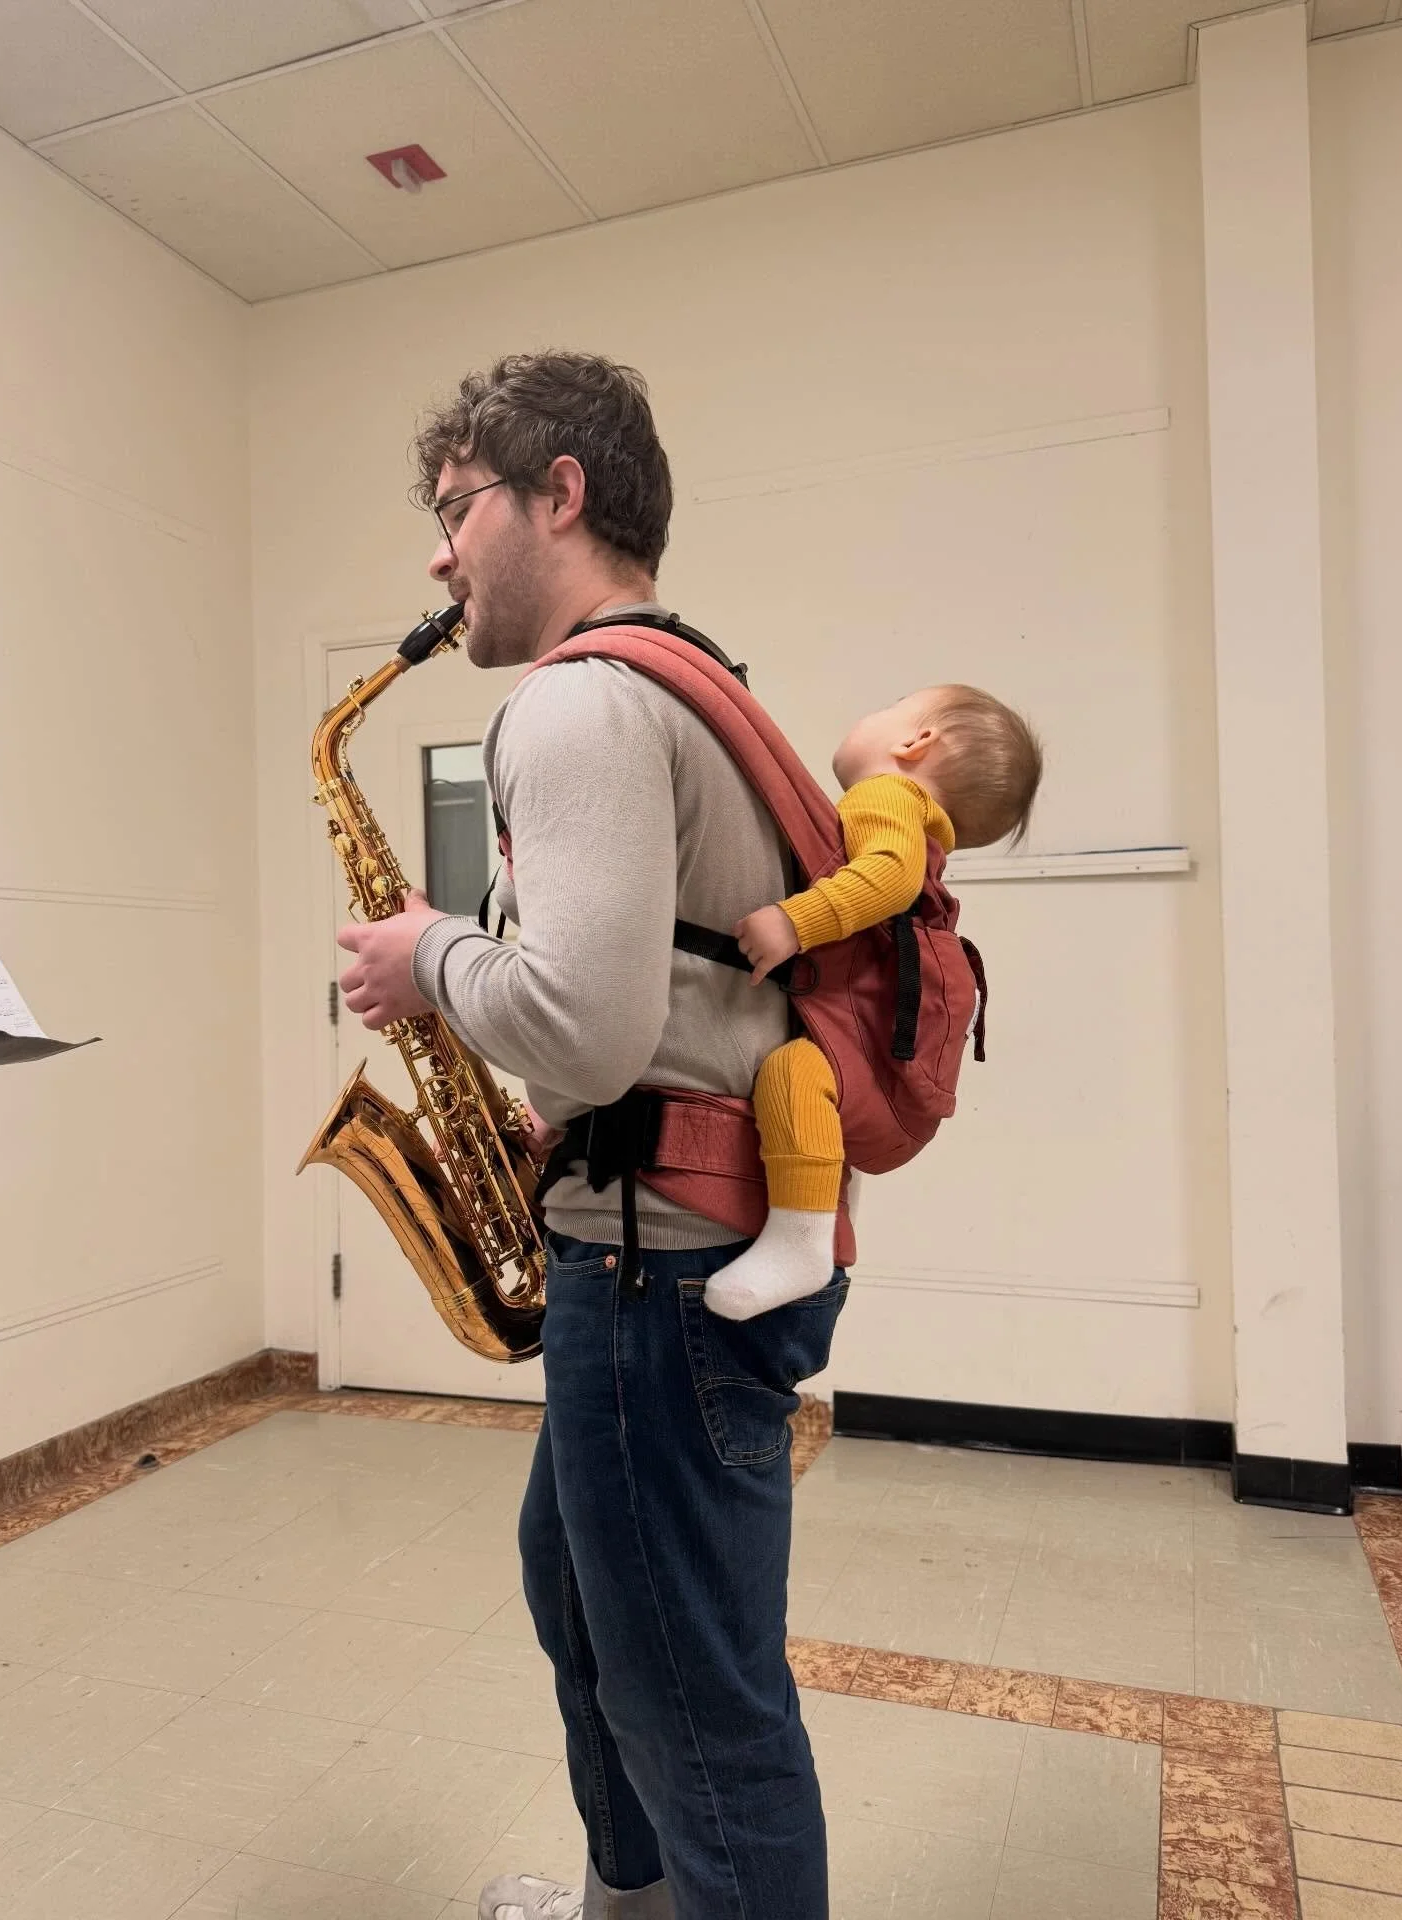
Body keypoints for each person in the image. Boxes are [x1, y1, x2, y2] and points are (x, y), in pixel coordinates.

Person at [336, 352, 844, 1920]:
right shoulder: (689, 678)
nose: (438, 556)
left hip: (653, 1275)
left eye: (454, 510)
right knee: (581, 1593)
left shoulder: (576, 703)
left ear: (558, 494)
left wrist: (426, 954)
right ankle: (630, 1900)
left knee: (702, 1707)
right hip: (671, 1251)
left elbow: (587, 1026)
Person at [706, 683, 1042, 1322]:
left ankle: (801, 1244)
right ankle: (810, 1223)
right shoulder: (918, 825)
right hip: (891, 1075)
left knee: (791, 1075)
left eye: (891, 708)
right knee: (811, 1089)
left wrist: (795, 922)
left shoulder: (888, 795)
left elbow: (887, 876)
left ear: (916, 742)